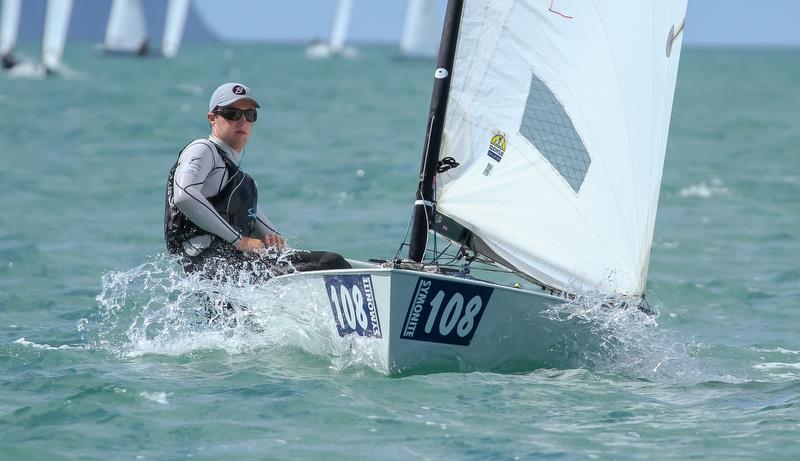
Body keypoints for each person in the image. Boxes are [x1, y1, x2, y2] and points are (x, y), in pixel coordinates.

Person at [164, 82, 350, 283]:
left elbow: (270, 235)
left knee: (323, 261)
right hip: (214, 266)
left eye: (249, 115)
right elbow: (184, 196)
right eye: (232, 114)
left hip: (231, 268)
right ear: (212, 118)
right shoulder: (203, 149)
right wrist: (239, 240)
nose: (242, 121)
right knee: (332, 262)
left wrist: (274, 243)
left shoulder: (242, 183)